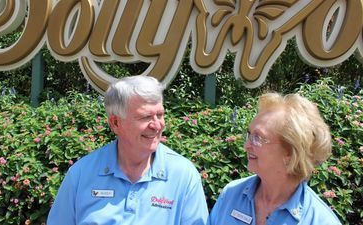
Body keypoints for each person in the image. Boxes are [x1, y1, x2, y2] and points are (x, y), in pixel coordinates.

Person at [47, 75, 208, 225]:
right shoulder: (81, 175)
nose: (157, 125)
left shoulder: (183, 175)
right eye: (145, 117)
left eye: (160, 115)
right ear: (116, 123)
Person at [208, 92, 341, 225]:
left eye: (258, 138)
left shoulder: (320, 220)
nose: (246, 145)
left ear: (290, 152)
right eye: (249, 134)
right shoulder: (231, 195)